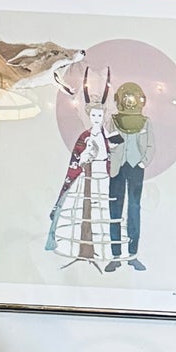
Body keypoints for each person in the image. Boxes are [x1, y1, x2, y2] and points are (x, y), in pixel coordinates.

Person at [47, 69, 112, 269]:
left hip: (102, 176)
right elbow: (77, 158)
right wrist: (85, 157)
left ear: (103, 115)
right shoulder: (84, 136)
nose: (96, 118)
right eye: (93, 114)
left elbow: (109, 155)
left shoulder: (106, 136)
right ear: (89, 115)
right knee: (81, 210)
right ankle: (79, 247)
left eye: (99, 114)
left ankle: (101, 250)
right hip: (85, 177)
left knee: (102, 212)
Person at [106, 81, 155, 272]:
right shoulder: (113, 120)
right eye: (126, 98)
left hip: (136, 168)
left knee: (134, 209)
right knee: (114, 210)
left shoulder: (145, 121)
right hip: (117, 168)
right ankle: (116, 256)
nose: (129, 102)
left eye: (132, 98)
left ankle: (133, 255)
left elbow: (150, 145)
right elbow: (110, 141)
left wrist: (143, 162)